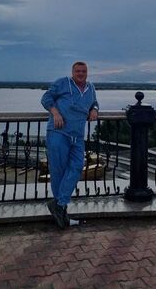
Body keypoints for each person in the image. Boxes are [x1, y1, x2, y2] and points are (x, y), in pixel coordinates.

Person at [41, 61, 99, 229]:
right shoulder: (63, 83)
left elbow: (94, 102)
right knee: (58, 171)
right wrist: (55, 113)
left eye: (83, 71)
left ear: (87, 73)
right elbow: (46, 98)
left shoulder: (91, 88)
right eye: (78, 71)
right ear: (72, 72)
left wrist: (95, 109)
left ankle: (58, 205)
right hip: (59, 133)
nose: (81, 74)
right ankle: (62, 211)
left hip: (77, 136)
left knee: (77, 167)